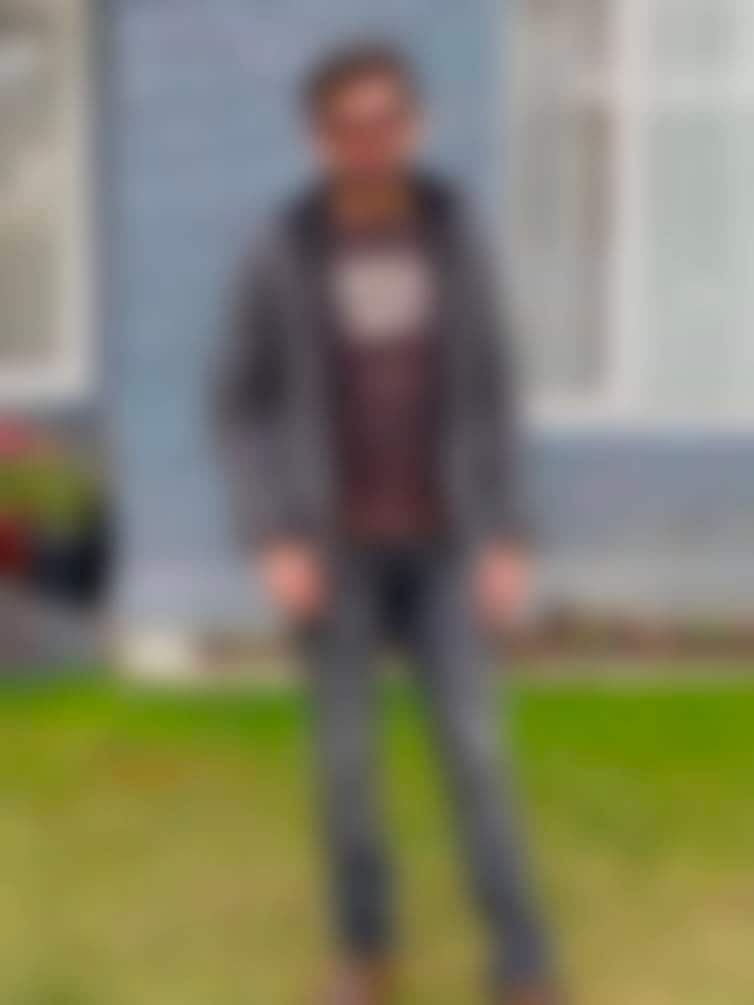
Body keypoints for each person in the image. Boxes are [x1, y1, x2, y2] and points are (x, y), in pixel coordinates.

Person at [216, 42, 558, 1005]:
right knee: (346, 771)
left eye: (387, 120)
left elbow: (493, 390)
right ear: (319, 139)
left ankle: (522, 960)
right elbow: (240, 401)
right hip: (337, 556)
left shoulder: (454, 235)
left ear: (416, 126)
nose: (371, 140)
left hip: (447, 544)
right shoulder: (283, 249)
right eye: (349, 126)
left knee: (477, 754)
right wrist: (275, 536)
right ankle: (365, 954)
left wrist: (508, 534)